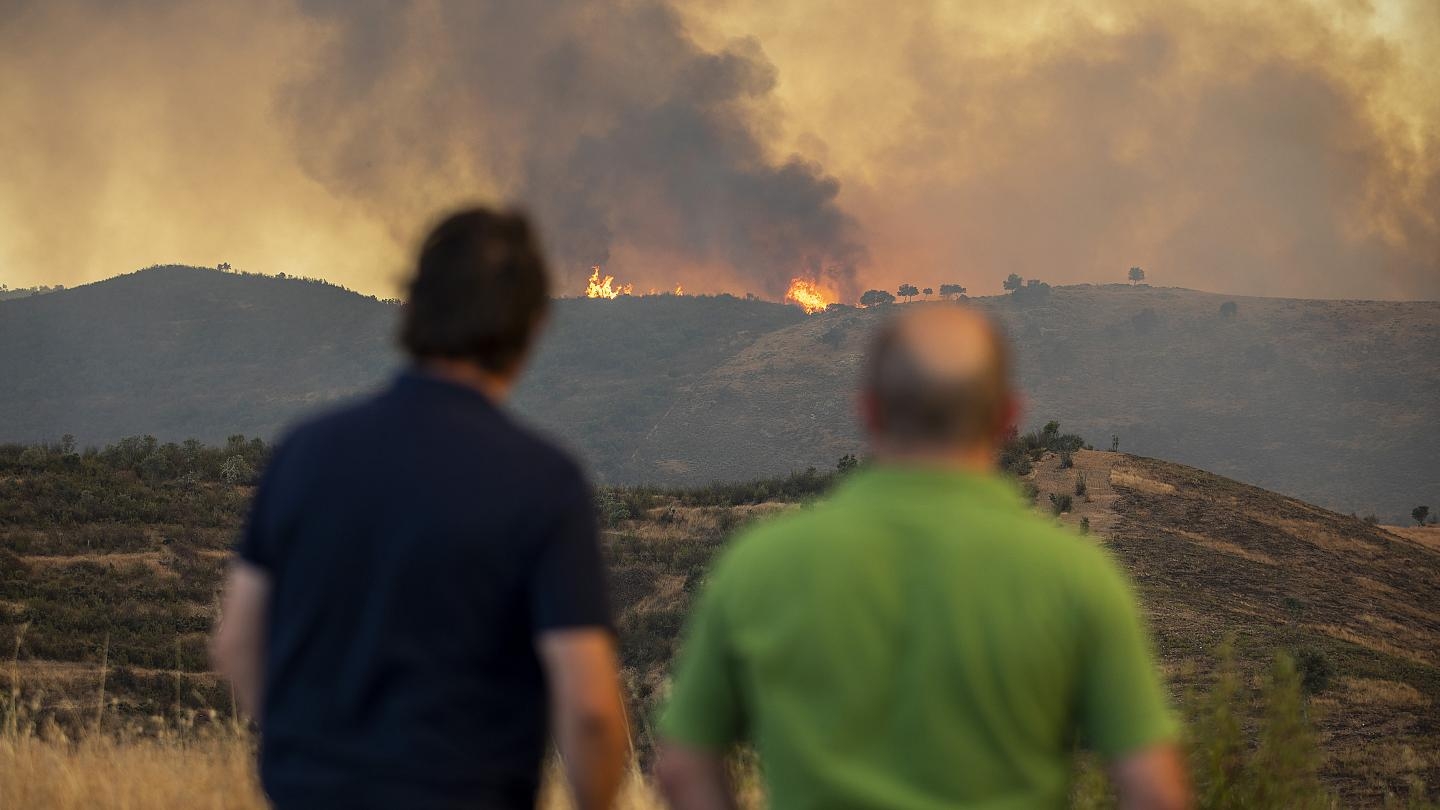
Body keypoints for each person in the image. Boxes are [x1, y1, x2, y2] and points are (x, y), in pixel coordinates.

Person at [655, 306, 1190, 810]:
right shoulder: (1076, 576)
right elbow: (1155, 792)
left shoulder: (761, 564)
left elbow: (682, 766)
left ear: (869, 410)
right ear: (1007, 415)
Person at [211, 208, 628, 810]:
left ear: (413, 308)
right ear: (533, 325)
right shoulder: (543, 481)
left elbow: (236, 643)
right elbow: (589, 710)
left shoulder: (304, 453)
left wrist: (307, 757)